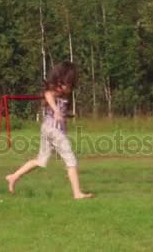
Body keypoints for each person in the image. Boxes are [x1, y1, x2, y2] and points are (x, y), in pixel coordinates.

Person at [6, 62, 94, 199]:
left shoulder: (62, 94)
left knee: (41, 161)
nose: (70, 87)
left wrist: (64, 114)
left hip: (48, 129)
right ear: (61, 81)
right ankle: (77, 193)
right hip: (53, 130)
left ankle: (13, 176)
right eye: (69, 84)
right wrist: (56, 110)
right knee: (71, 160)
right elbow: (48, 95)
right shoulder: (55, 91)